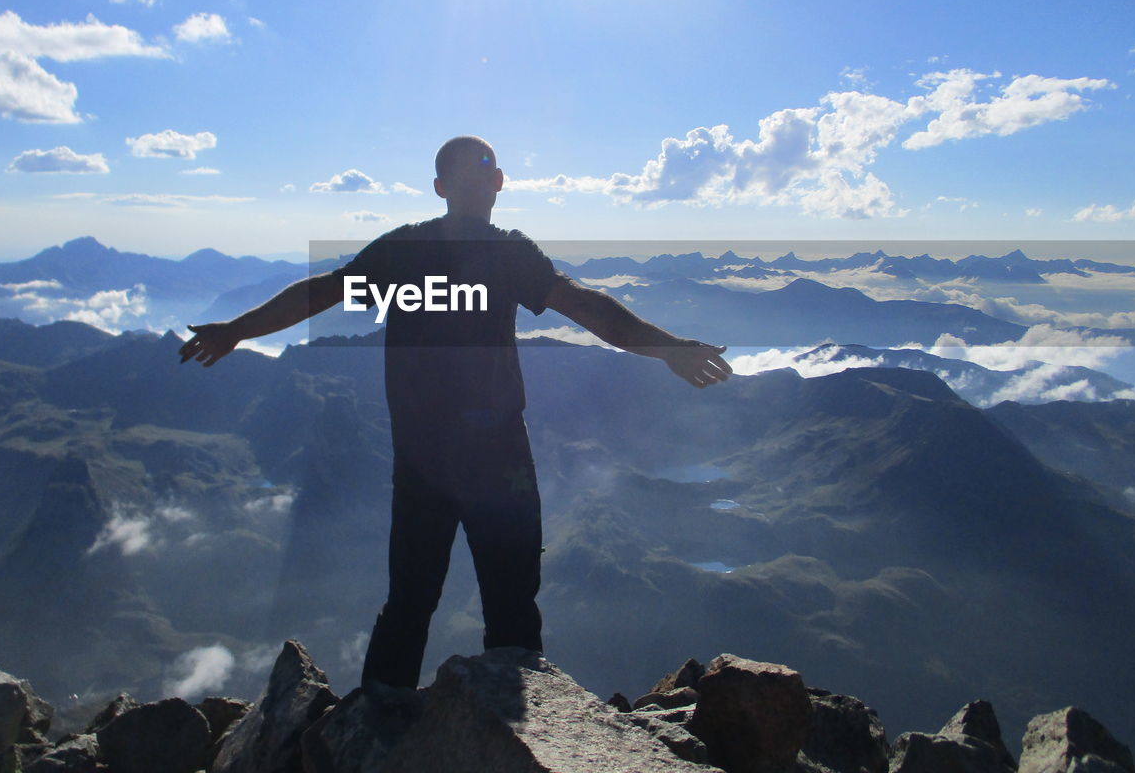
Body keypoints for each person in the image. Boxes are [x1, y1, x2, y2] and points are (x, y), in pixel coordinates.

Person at [179, 135, 732, 688]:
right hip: (492, 458)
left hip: (429, 456)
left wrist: (237, 330)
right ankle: (512, 736)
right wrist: (668, 349)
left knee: (417, 605)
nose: (476, 185)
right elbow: (587, 307)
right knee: (503, 608)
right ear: (464, 187)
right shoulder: (493, 254)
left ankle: (379, 729)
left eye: (480, 174)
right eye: (469, 177)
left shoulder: (420, 251)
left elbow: (323, 292)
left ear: (485, 184)